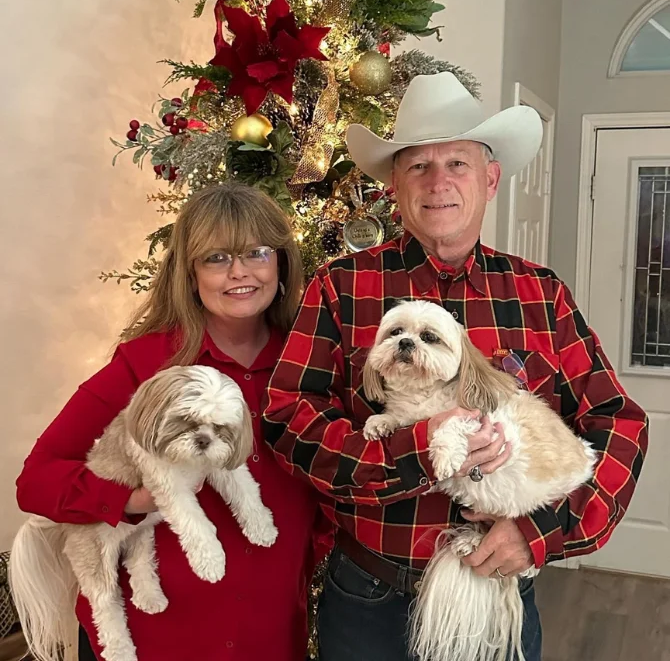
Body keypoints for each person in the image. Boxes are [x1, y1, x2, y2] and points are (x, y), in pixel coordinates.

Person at [262, 72, 649, 661]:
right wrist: (417, 450)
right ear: (395, 184)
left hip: (494, 592)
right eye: (418, 165)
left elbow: (619, 421)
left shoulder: (539, 295)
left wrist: (538, 531)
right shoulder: (342, 287)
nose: (438, 181)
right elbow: (288, 420)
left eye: (458, 164)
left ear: (490, 179)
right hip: (372, 594)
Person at [16, 182, 328, 661]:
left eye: (256, 253)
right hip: (152, 639)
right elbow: (35, 481)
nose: (239, 273)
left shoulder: (313, 363)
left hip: (268, 636)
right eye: (217, 258)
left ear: (281, 262)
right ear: (190, 272)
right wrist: (135, 500)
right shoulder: (144, 364)